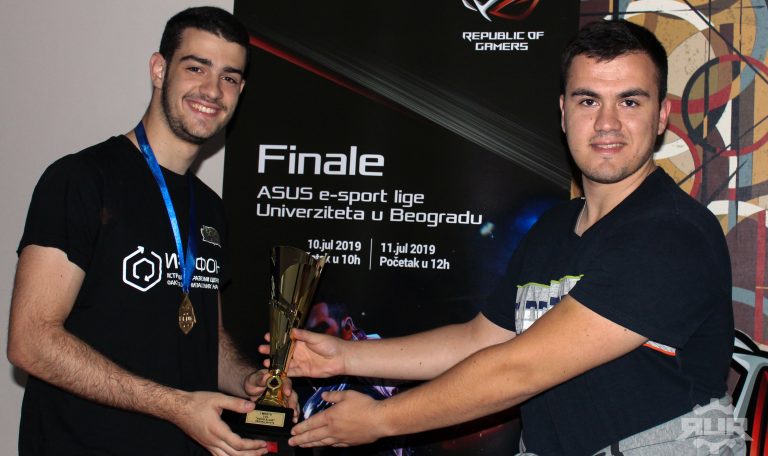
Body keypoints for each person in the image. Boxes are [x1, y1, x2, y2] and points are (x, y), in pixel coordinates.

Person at [271, 20, 742, 455]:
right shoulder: (554, 227)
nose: (607, 123)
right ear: (564, 113)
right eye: (588, 100)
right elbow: (479, 340)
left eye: (630, 102)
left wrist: (381, 419)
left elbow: (521, 368)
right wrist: (345, 356)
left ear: (661, 116)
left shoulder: (674, 234)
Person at [7, 7, 295, 456]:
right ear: (159, 69)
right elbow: (31, 341)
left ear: (240, 91)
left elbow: (206, 339)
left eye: (229, 77)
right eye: (196, 68)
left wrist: (248, 381)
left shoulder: (210, 208)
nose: (212, 90)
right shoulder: (81, 179)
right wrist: (175, 405)